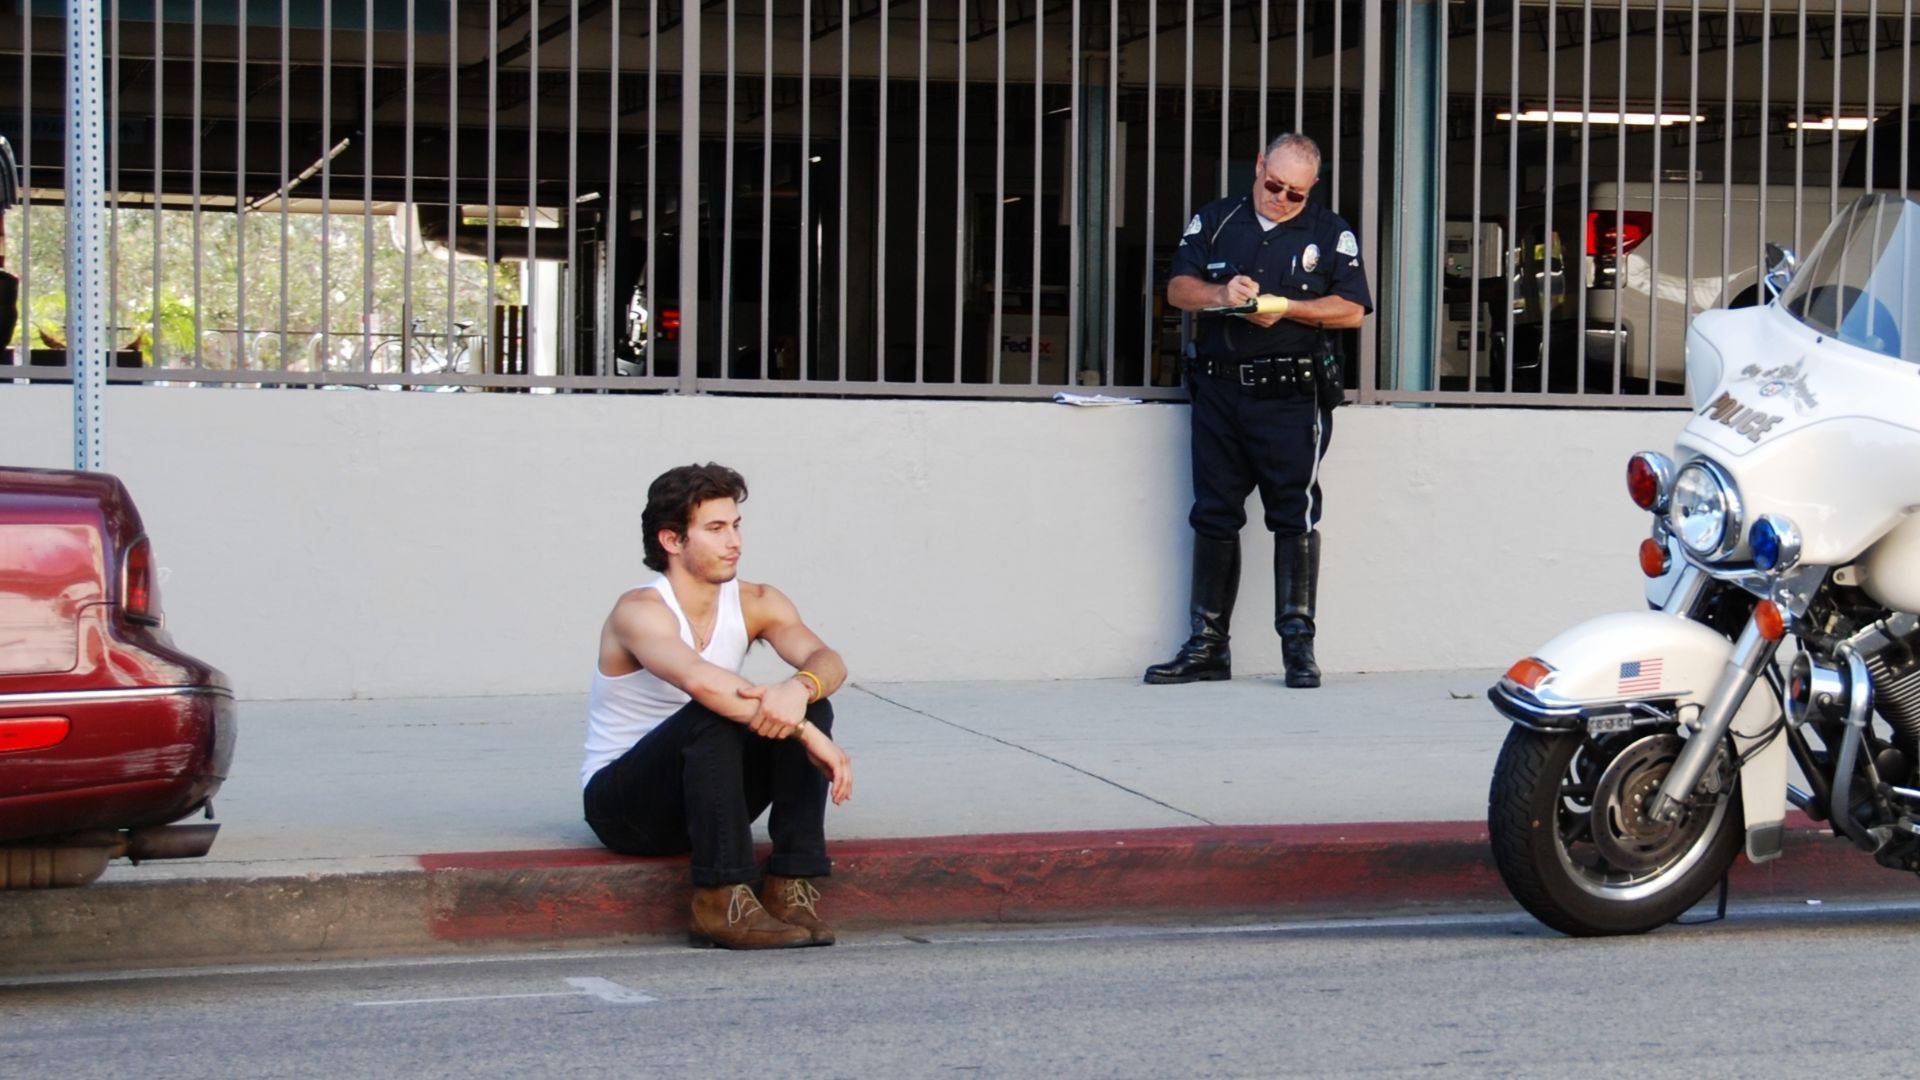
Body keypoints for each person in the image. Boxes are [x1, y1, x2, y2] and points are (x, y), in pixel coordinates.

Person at [582, 462, 854, 950]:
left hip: (711, 795)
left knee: (810, 701)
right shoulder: (639, 611)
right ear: (672, 541)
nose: (735, 542)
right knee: (714, 711)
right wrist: (806, 736)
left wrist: (801, 690)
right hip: (627, 809)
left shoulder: (757, 601)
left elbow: (827, 659)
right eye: (715, 529)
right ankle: (721, 897)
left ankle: (791, 883)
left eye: (735, 525)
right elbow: (700, 681)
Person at [1145, 133, 1373, 690]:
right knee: (1215, 513)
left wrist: (1287, 307)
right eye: (1274, 185)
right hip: (1221, 392)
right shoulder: (1219, 220)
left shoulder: (1329, 232)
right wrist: (1223, 296)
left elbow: (1352, 310)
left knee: (1294, 515)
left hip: (1291, 398)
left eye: (1295, 193)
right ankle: (1206, 645)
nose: (1281, 198)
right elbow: (1177, 288)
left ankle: (1298, 647)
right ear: (1257, 166)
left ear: (1311, 188)